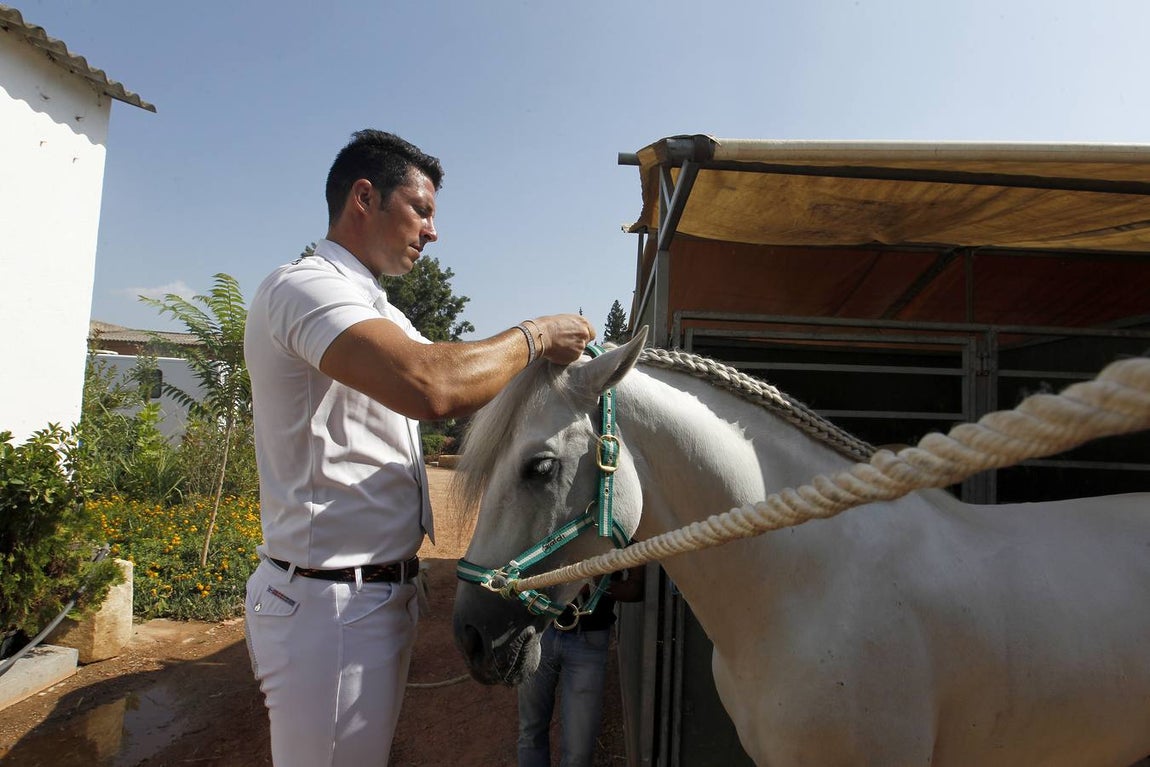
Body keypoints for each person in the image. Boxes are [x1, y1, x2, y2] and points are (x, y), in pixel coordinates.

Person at [243, 129, 596, 767]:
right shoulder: (303, 287)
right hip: (329, 603)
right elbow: (433, 385)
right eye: (422, 210)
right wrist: (538, 335)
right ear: (364, 197)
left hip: (368, 594)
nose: (433, 232)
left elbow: (466, 380)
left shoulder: (383, 313)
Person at [517, 566, 646, 767]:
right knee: (530, 731)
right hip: (540, 632)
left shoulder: (619, 542)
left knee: (579, 754)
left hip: (588, 642)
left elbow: (636, 589)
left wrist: (595, 585)